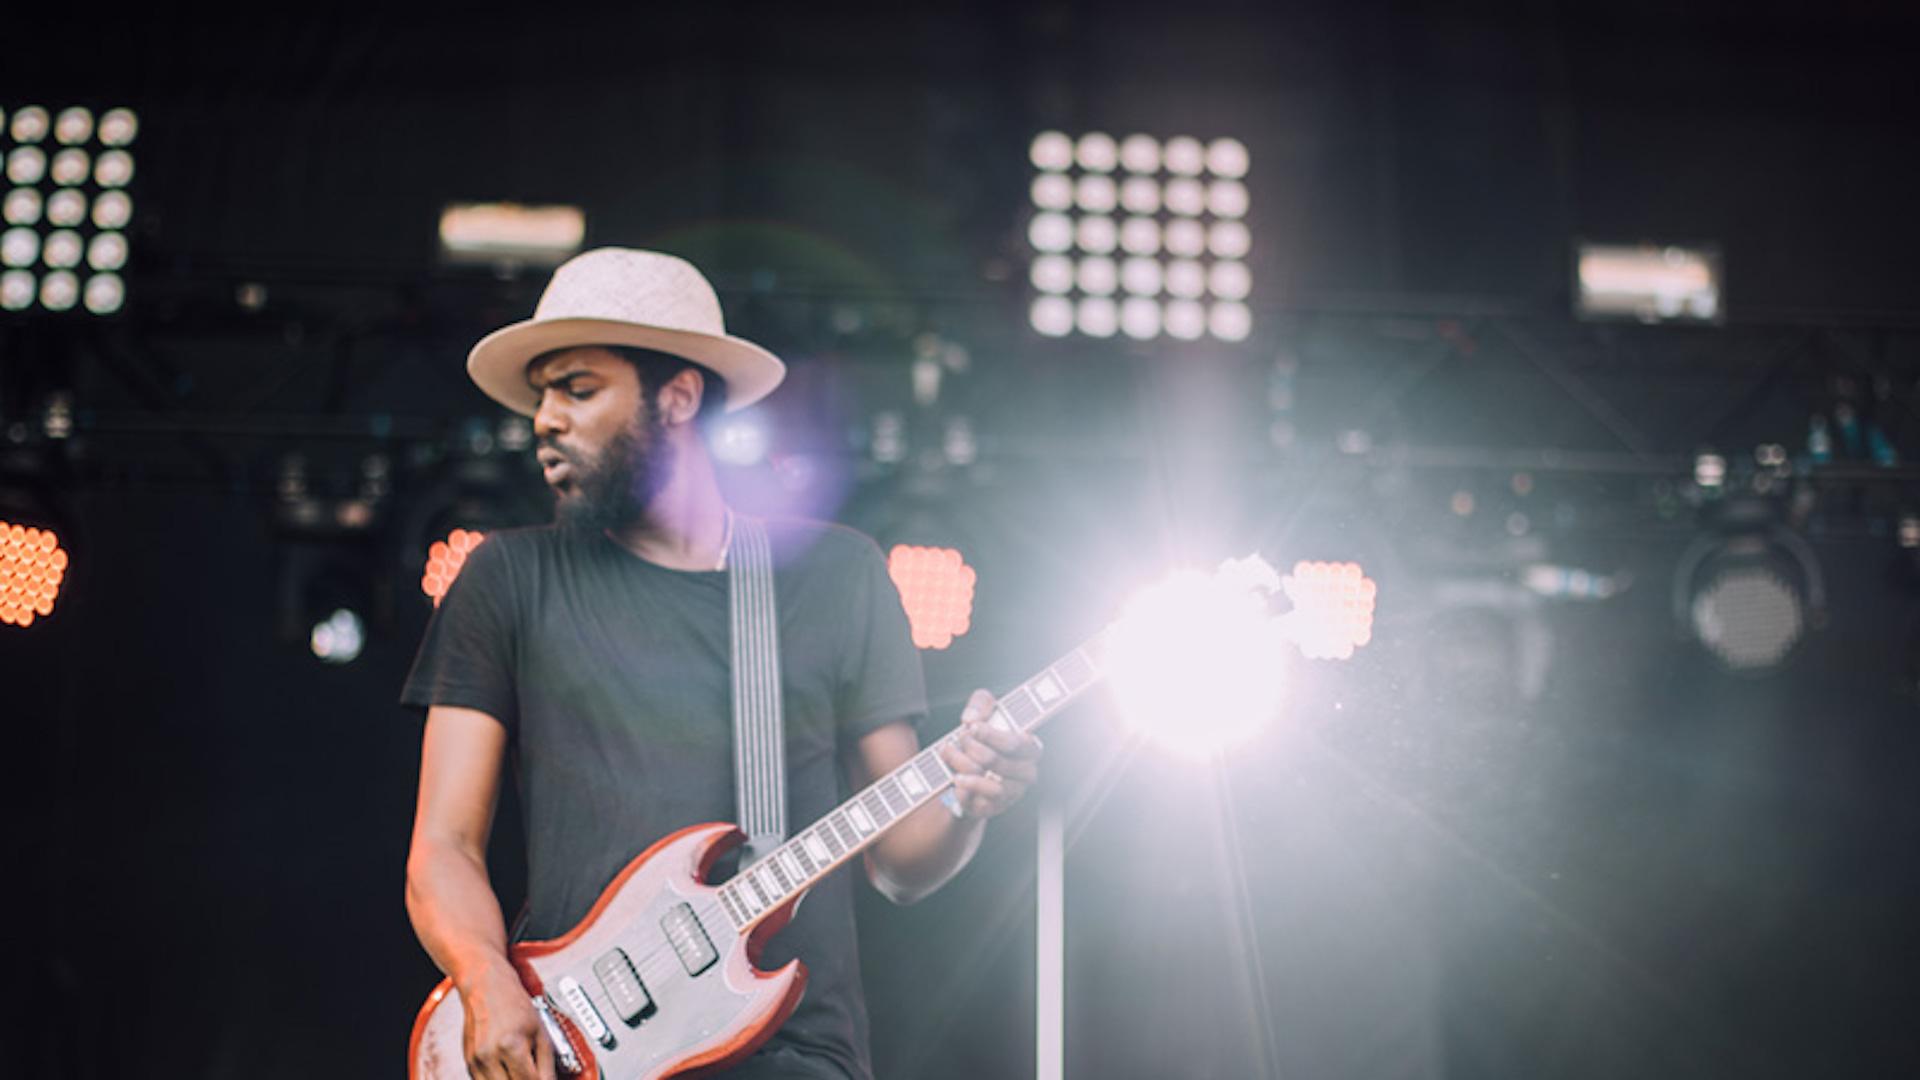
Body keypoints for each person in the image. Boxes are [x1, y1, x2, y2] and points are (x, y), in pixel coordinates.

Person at [401, 248, 1042, 1080]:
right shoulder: (509, 579)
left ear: (677, 396)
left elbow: (903, 864)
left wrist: (971, 798)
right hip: (580, 1053)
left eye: (578, 388)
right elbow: (441, 847)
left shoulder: (835, 574)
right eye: (541, 394)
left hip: (794, 1051)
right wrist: (487, 979)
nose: (544, 419)